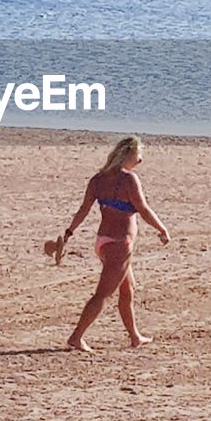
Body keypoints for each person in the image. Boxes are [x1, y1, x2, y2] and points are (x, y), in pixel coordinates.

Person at [60, 135, 170, 352]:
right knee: (103, 294)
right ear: (128, 155)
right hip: (120, 244)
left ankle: (135, 336)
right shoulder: (128, 179)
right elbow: (143, 209)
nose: (140, 161)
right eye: (139, 156)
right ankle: (76, 337)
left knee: (128, 289)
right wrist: (162, 229)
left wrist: (69, 231)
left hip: (103, 242)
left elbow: (83, 210)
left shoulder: (98, 180)